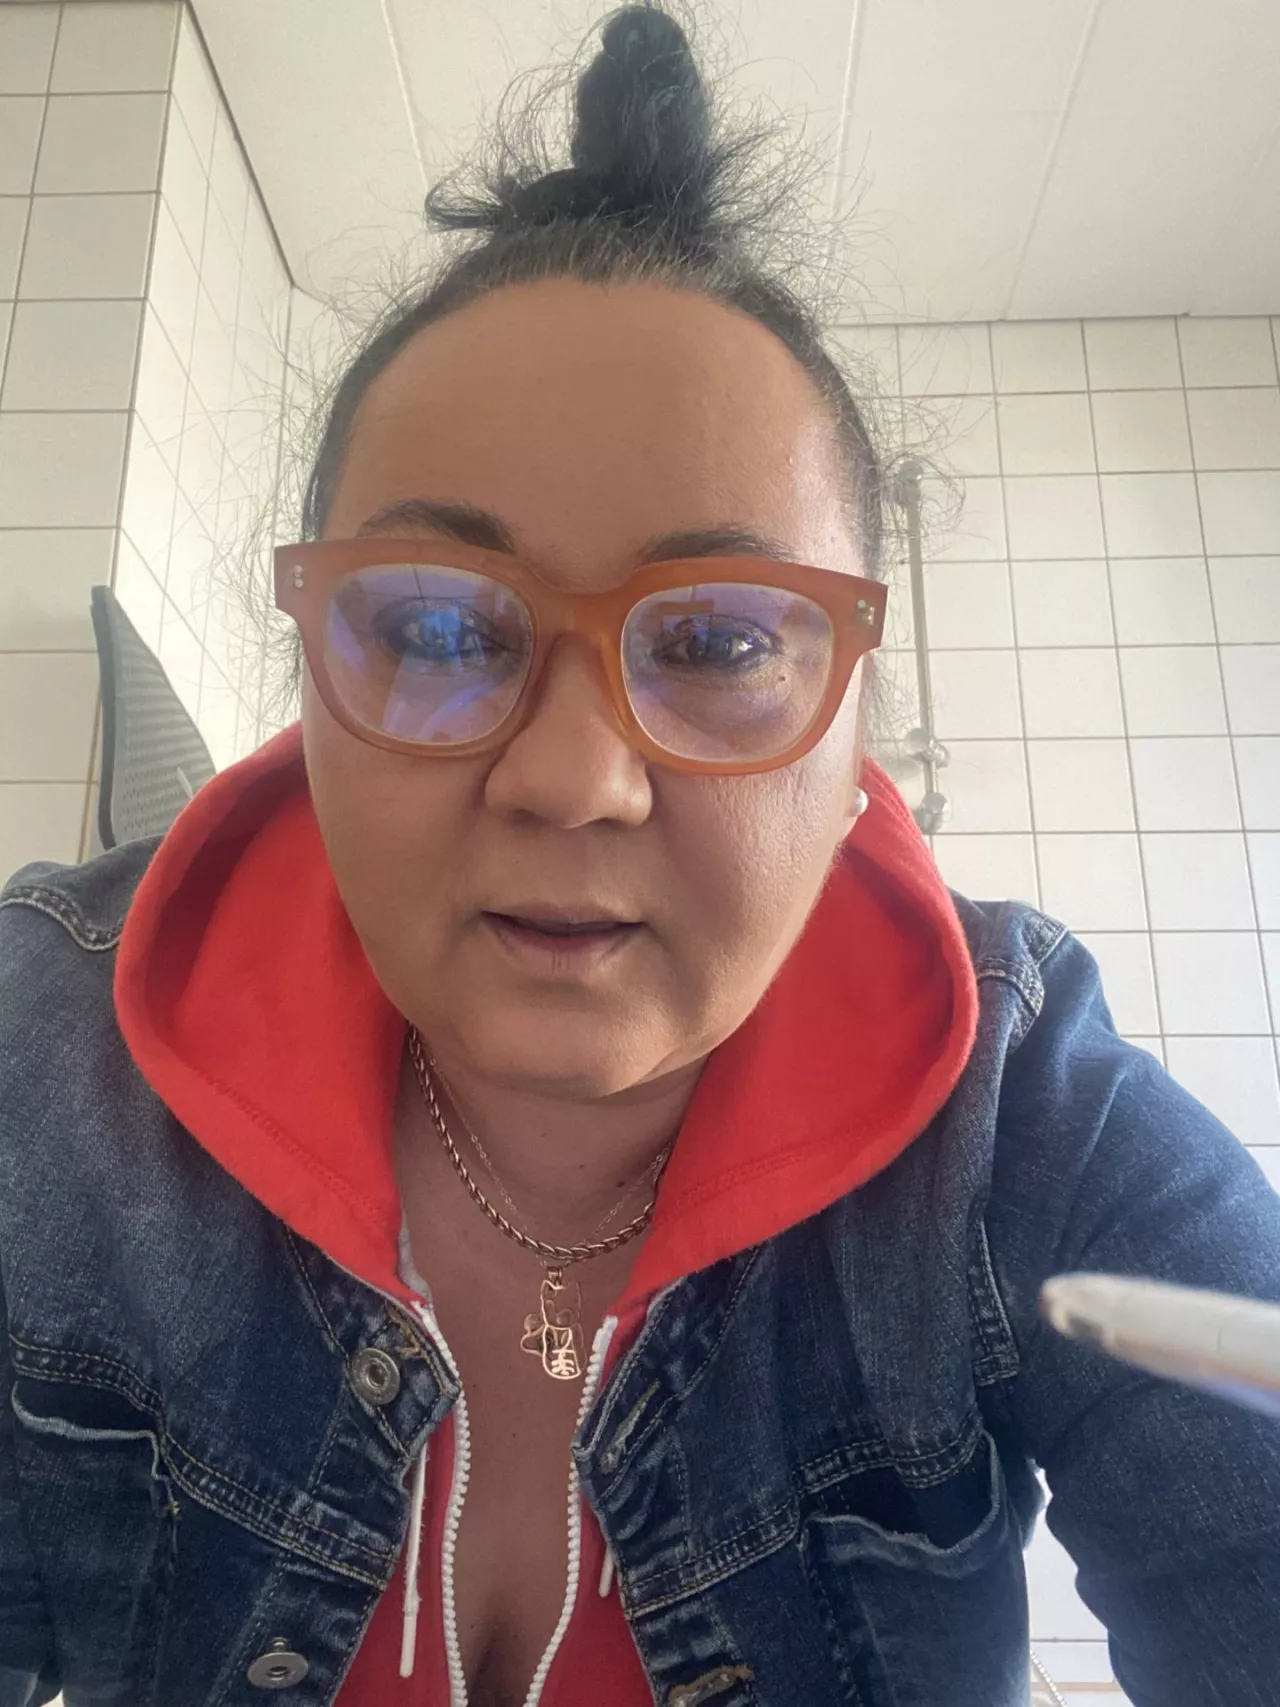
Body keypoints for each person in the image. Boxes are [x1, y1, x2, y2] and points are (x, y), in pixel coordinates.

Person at [2, 7, 1278, 1705]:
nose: (574, 777)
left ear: (856, 731)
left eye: (721, 641)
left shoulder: (1027, 1125)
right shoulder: (47, 1066)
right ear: (311, 669)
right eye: (440, 624)